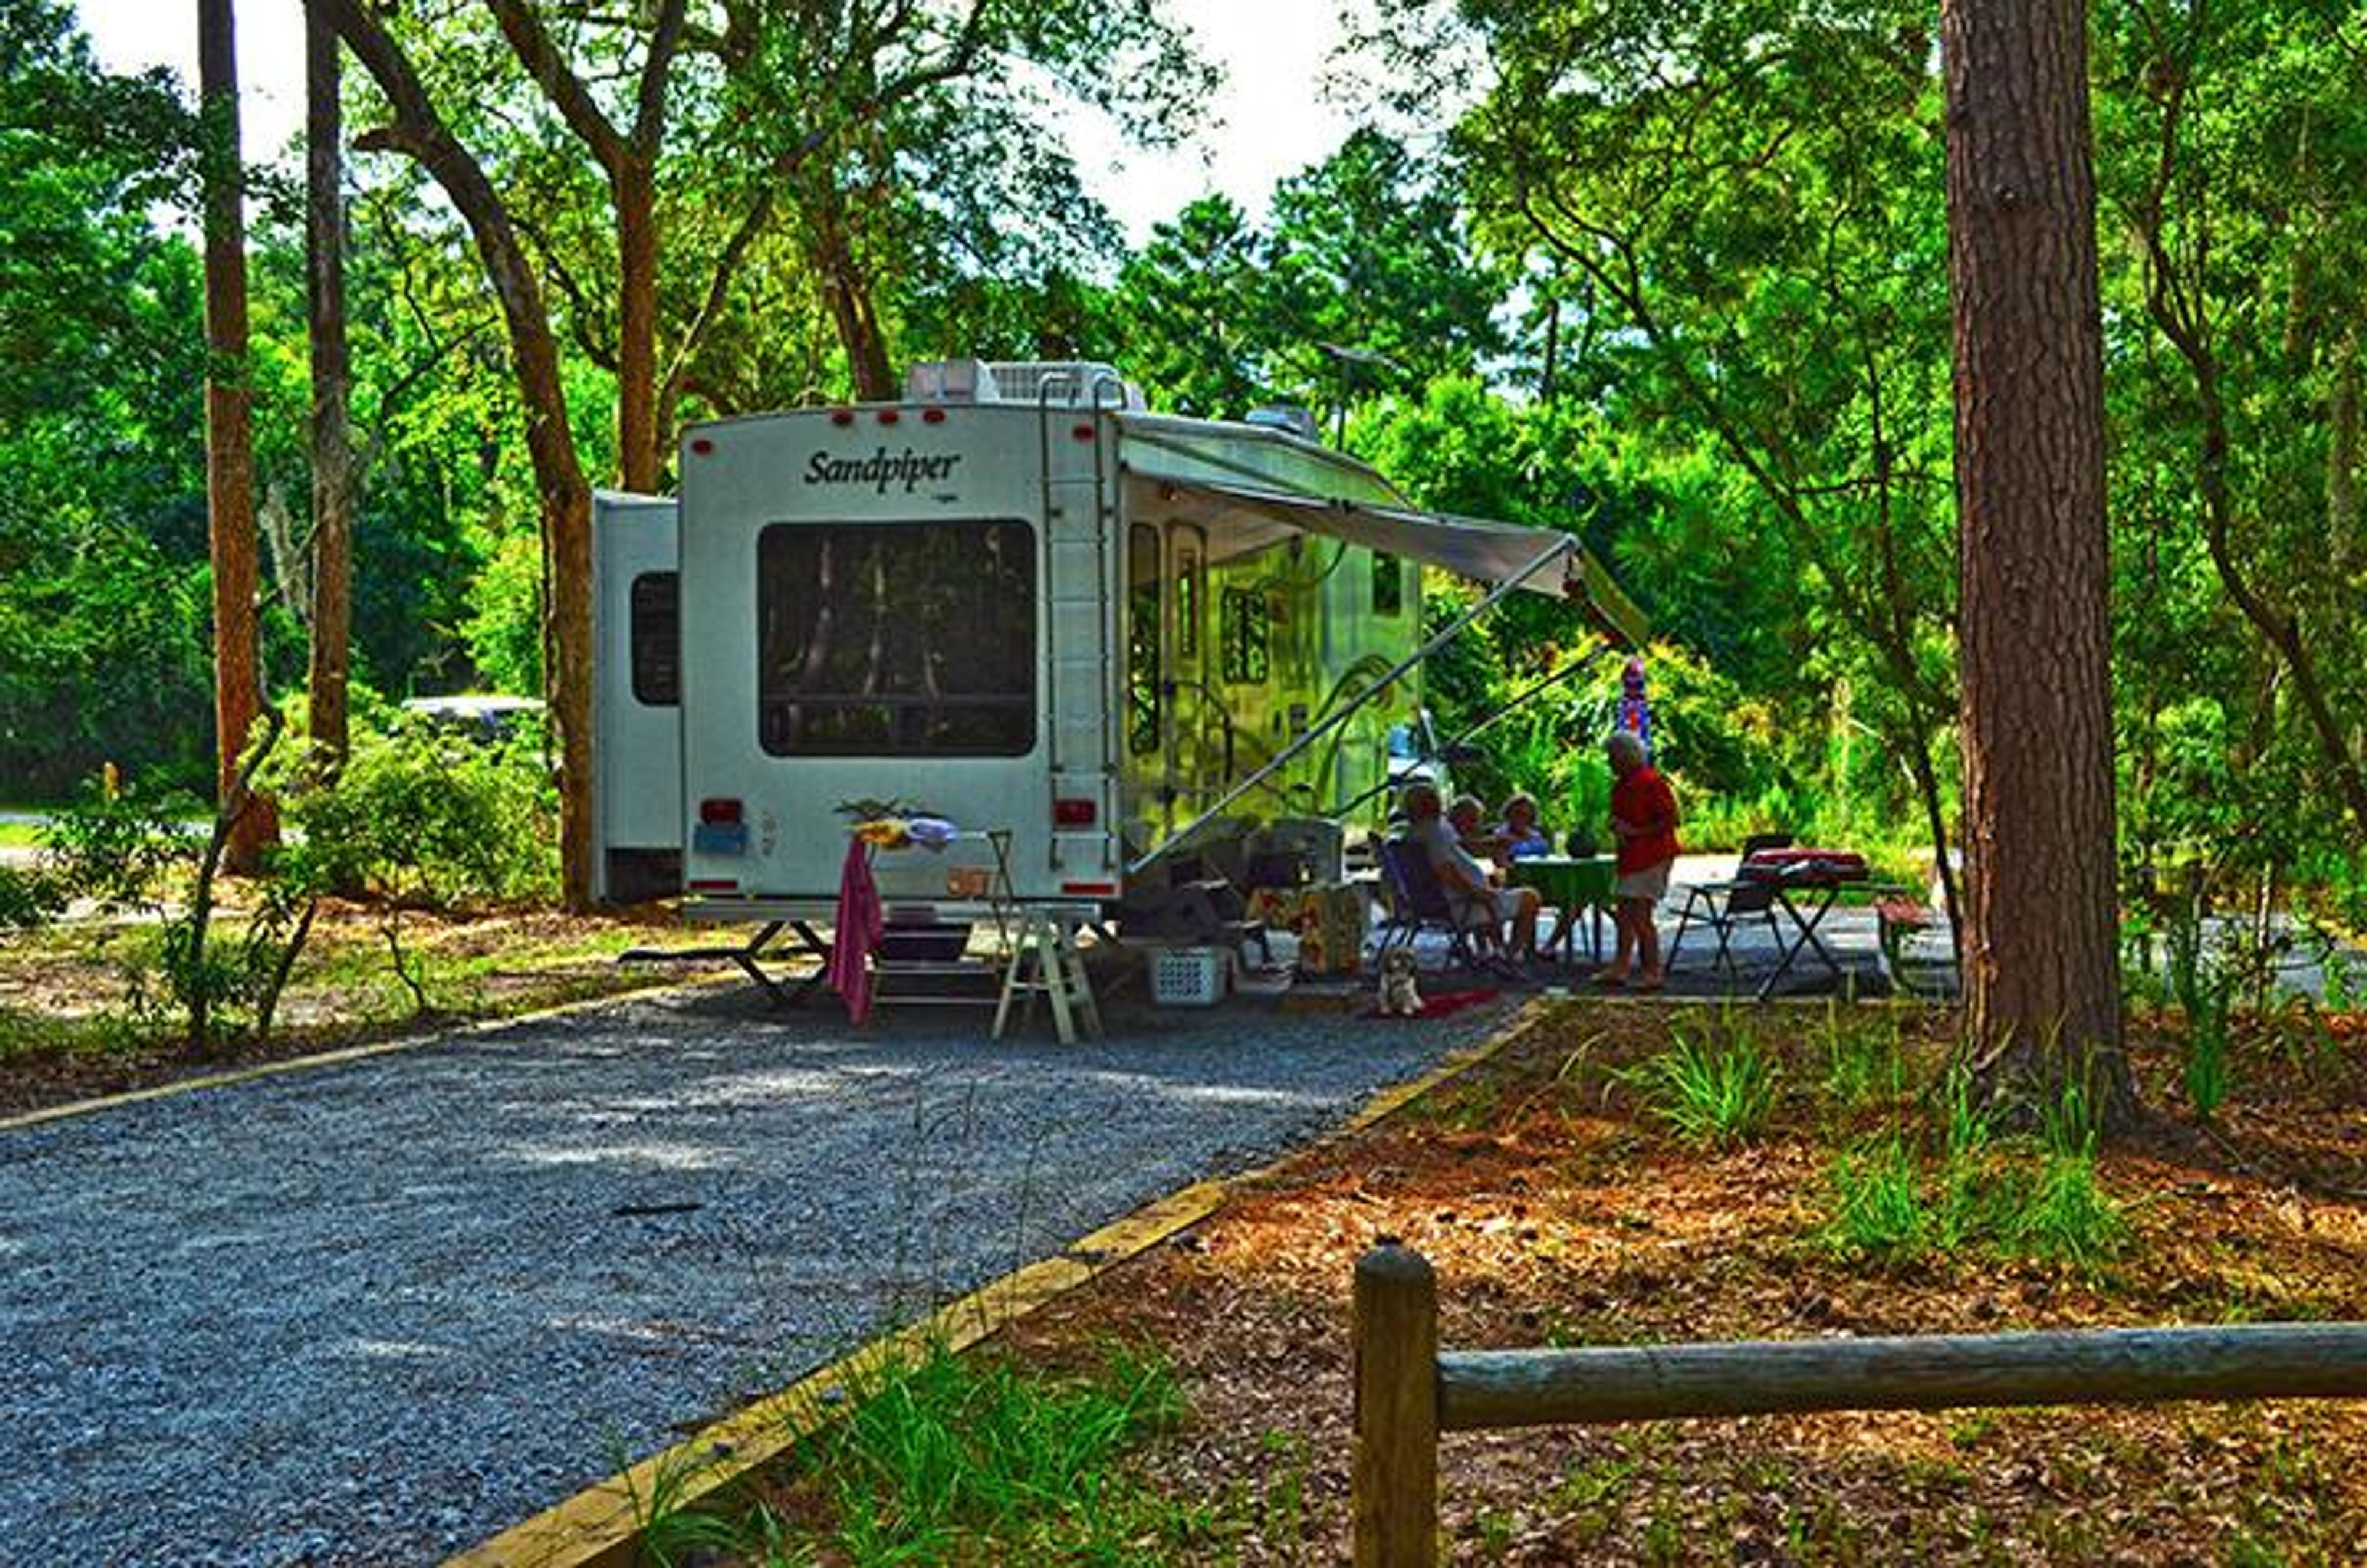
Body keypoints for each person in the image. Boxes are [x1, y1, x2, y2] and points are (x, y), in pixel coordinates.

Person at [1400, 782, 1542, 960]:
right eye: (1434, 799)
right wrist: (1477, 892)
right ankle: (1509, 955)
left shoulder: (1416, 832)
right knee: (1531, 898)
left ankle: (1497, 951)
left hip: (1446, 902)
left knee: (1495, 885)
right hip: (1462, 905)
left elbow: (1463, 848)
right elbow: (1446, 872)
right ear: (1431, 804)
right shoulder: (1435, 832)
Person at [1600, 729, 1679, 990]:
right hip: (1630, 856)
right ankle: (1620, 967)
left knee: (1640, 914)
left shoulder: (1651, 782)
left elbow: (1671, 820)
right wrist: (1616, 825)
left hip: (1651, 856)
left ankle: (1652, 971)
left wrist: (1637, 832)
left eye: (1612, 756)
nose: (1609, 762)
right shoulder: (1622, 784)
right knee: (1624, 912)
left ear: (1626, 756)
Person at [1495, 793, 1552, 862]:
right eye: (1517, 813)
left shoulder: (1537, 839)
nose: (1519, 818)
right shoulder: (1498, 835)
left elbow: (1544, 855)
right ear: (1509, 813)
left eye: (1524, 815)